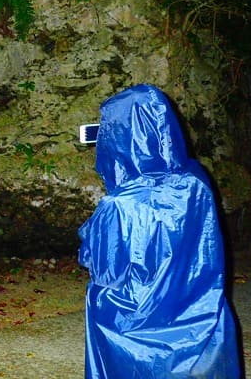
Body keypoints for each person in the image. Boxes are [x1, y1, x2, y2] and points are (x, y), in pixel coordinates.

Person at [78, 84, 241, 378]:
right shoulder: (197, 180)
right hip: (195, 305)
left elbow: (105, 271)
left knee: (99, 296)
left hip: (136, 317)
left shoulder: (120, 203)